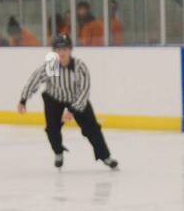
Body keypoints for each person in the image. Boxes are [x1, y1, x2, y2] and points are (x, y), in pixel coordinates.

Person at [17, 34, 117, 169]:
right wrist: (23, 100)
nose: (61, 52)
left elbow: (84, 91)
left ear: (70, 50)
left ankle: (105, 156)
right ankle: (58, 152)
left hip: (76, 100)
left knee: (92, 128)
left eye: (64, 49)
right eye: (58, 50)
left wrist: (73, 110)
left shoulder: (80, 67)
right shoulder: (51, 66)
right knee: (52, 128)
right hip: (54, 98)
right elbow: (35, 79)